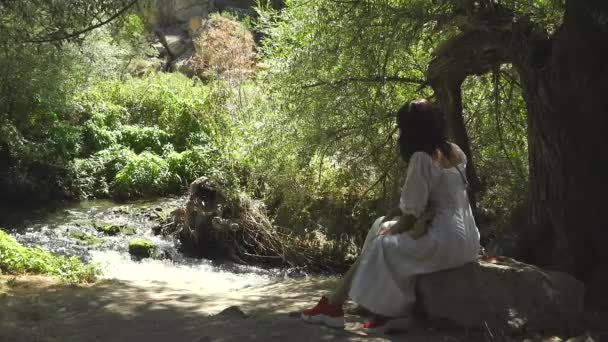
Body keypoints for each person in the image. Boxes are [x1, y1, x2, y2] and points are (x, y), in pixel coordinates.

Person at [301, 99, 481, 333]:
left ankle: (344, 307)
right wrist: (394, 219)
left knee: (381, 242)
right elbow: (433, 198)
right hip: (468, 240)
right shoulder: (455, 150)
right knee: (379, 225)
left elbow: (411, 214)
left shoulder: (422, 157)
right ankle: (358, 303)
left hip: (443, 242)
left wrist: (392, 230)